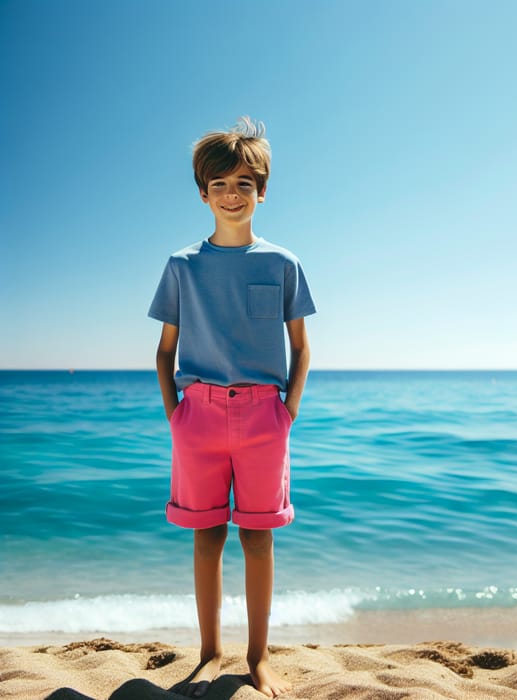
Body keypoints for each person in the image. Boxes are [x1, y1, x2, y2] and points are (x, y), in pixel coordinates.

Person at [148, 117, 316, 698]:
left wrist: (286, 409)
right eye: (219, 184)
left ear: (261, 191)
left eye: (245, 183)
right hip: (196, 415)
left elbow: (302, 348)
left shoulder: (283, 264)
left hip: (264, 418)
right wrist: (177, 412)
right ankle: (209, 653)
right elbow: (166, 350)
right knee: (206, 535)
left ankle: (258, 658)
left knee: (259, 538)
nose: (232, 194)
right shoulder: (181, 266)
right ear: (203, 193)